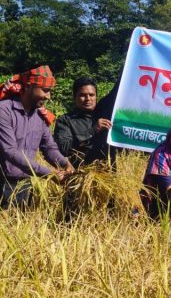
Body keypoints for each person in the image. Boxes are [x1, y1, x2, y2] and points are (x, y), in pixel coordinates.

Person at [0, 65, 73, 208]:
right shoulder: (4, 111)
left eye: (50, 92)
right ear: (28, 86)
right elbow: (10, 151)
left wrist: (65, 163)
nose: (48, 96)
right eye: (45, 91)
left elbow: (49, 147)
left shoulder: (40, 116)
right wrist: (49, 172)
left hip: (25, 183)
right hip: (2, 182)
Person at [53, 77, 112, 168]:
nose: (88, 98)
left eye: (91, 95)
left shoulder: (106, 115)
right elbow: (64, 148)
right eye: (82, 95)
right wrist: (92, 131)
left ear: (96, 96)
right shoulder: (64, 120)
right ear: (74, 97)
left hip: (109, 174)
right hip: (81, 174)